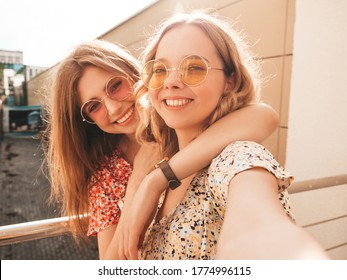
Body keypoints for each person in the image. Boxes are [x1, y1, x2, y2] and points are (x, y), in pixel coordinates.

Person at [118, 11, 329, 260]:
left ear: (229, 81)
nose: (171, 82)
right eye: (160, 70)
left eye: (194, 68)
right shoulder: (165, 157)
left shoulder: (236, 158)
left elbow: (261, 231)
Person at [44, 39, 279, 259]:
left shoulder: (178, 118)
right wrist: (136, 183)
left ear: (136, 74)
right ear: (86, 120)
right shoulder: (107, 175)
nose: (114, 108)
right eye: (94, 106)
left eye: (115, 86)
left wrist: (157, 178)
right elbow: (112, 265)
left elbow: (264, 116)